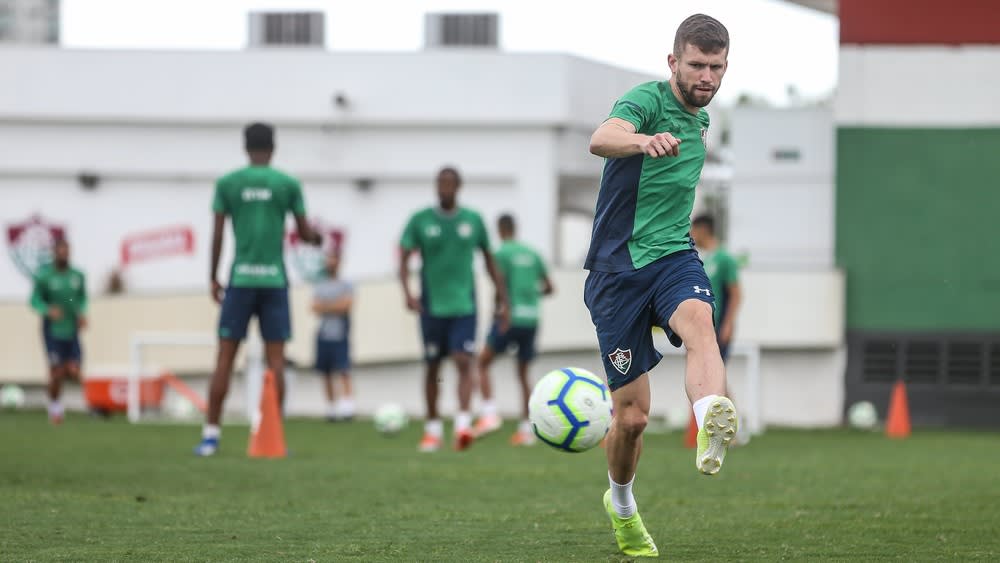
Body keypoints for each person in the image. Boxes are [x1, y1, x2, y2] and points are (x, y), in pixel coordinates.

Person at [584, 14, 736, 557]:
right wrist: (643, 140)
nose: (707, 77)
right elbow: (601, 139)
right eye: (696, 65)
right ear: (673, 62)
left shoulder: (703, 119)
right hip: (616, 272)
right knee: (632, 417)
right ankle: (621, 505)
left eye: (716, 67)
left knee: (700, 323)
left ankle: (707, 422)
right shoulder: (645, 100)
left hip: (674, 257)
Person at [195, 122, 320, 456]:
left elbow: (219, 234)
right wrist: (316, 238)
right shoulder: (287, 183)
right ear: (273, 147)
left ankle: (211, 436)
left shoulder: (228, 183)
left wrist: (212, 276)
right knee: (276, 361)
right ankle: (273, 437)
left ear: (245, 147)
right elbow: (305, 233)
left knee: (224, 358)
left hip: (241, 280)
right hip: (274, 281)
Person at [399, 166, 509, 452]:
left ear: (458, 187)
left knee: (463, 360)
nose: (444, 188)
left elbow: (489, 260)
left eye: (449, 184)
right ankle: (432, 429)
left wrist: (503, 300)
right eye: (440, 183)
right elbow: (403, 255)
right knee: (433, 366)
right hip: (432, 307)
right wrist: (407, 293)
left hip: (464, 306)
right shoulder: (420, 220)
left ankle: (462, 425)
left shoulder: (472, 221)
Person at [473, 214, 554, 446]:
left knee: (482, 362)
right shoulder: (533, 253)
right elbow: (549, 287)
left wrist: (498, 310)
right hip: (531, 318)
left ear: (499, 230)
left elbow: (499, 283)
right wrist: (530, 295)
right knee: (522, 374)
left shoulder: (501, 253)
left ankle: (489, 413)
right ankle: (526, 430)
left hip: (509, 318)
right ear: (515, 228)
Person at [29, 238, 86, 425]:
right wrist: (47, 310)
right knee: (56, 372)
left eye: (66, 252)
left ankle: (70, 394)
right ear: (55, 253)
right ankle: (55, 407)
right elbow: (34, 300)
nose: (64, 255)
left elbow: (82, 298)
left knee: (74, 371)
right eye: (60, 252)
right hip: (52, 331)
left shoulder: (77, 276)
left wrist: (83, 313)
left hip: (72, 330)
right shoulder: (44, 277)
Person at [690, 214, 741, 363]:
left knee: (715, 374)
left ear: (703, 230)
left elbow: (736, 294)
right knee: (704, 375)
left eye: (693, 230)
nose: (691, 235)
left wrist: (728, 324)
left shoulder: (725, 258)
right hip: (703, 326)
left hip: (718, 326)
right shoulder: (702, 258)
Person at [312, 251, 355, 421]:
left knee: (344, 370)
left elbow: (346, 305)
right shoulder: (320, 285)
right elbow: (314, 307)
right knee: (326, 372)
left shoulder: (346, 284)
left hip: (341, 334)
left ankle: (347, 407)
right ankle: (331, 407)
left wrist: (326, 306)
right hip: (323, 334)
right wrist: (334, 305)